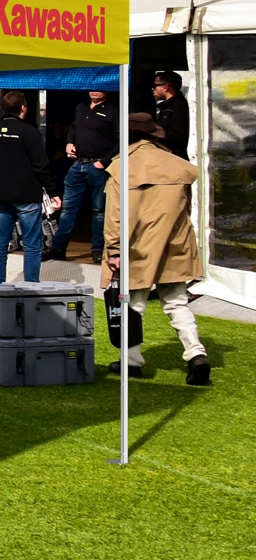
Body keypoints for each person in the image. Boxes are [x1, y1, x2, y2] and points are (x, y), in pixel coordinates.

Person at [104, 113, 210, 386]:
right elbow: (186, 209)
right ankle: (196, 354)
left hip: (136, 245)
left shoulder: (120, 167)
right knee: (176, 303)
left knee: (133, 306)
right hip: (175, 242)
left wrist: (114, 250)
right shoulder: (179, 166)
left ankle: (132, 361)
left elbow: (114, 216)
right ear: (153, 135)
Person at [0, 91, 62, 283]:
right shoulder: (29, 132)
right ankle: (31, 285)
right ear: (23, 108)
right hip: (27, 196)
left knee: (0, 244)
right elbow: (41, 166)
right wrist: (53, 192)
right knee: (31, 244)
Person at [48, 90, 118, 262]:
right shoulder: (81, 107)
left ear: (107, 90)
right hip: (78, 164)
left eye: (99, 89)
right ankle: (58, 248)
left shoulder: (114, 111)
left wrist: (104, 162)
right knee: (68, 208)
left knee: (99, 210)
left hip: (98, 166)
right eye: (91, 88)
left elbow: (122, 139)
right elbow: (73, 128)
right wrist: (69, 143)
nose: (94, 92)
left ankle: (97, 250)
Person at [151, 71, 190, 161]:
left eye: (155, 86)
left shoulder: (179, 107)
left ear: (166, 87)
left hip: (175, 157)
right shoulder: (166, 106)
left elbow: (178, 136)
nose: (152, 89)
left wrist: (154, 134)